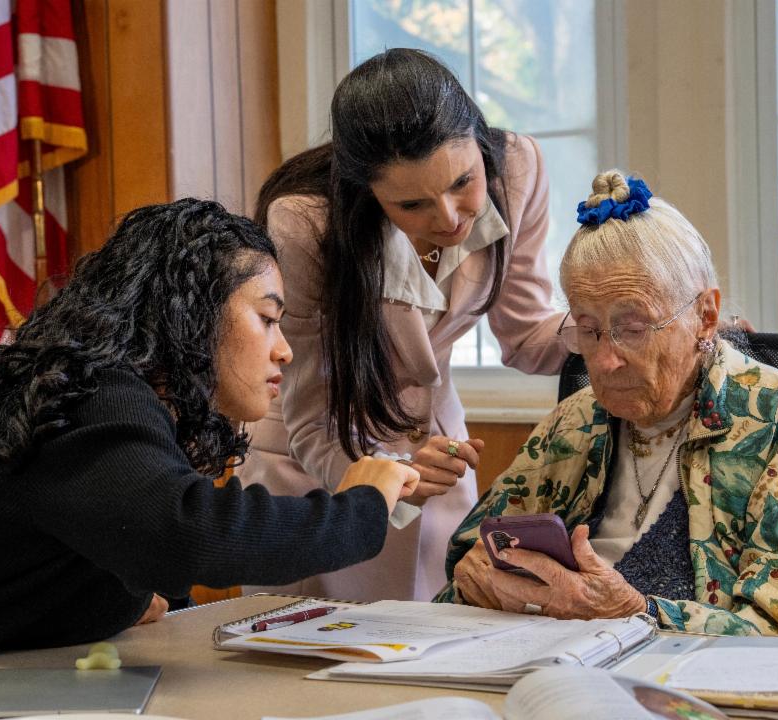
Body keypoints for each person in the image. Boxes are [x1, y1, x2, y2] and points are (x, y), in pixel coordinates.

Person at [0, 199, 419, 690]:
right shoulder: (90, 397)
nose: (284, 348)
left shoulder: (109, 398)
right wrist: (359, 506)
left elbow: (99, 559)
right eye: (266, 317)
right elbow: (187, 535)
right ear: (194, 312)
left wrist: (119, 598)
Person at [435, 171, 778, 640]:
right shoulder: (575, 423)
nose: (607, 361)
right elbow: (473, 553)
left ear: (705, 316)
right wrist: (478, 577)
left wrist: (634, 614)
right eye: (589, 331)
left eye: (632, 329)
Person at [237, 48, 569, 602]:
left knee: (441, 646)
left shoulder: (517, 170)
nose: (448, 218)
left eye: (463, 181)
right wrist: (390, 478)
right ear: (365, 191)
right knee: (316, 664)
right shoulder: (305, 222)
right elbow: (313, 417)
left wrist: (625, 320)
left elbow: (529, 335)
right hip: (317, 463)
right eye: (412, 204)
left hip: (438, 455)